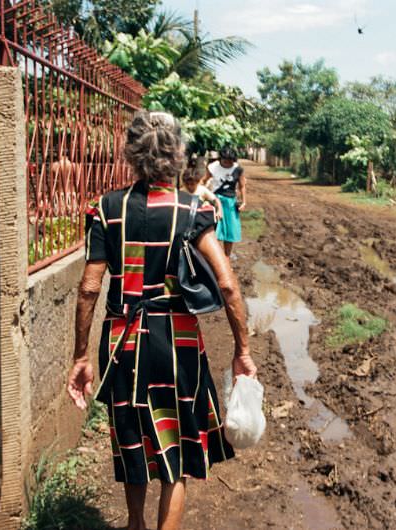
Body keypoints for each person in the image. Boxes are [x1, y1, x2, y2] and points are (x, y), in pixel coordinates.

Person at [66, 111, 257, 530]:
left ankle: (135, 524)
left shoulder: (106, 209)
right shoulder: (193, 212)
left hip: (123, 344)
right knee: (177, 455)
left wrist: (81, 356)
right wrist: (242, 350)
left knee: (131, 447)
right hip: (177, 345)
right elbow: (227, 286)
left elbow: (89, 288)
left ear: (132, 153)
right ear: (177, 155)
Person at [207, 147, 246, 257]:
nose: (228, 163)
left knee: (230, 231)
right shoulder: (213, 167)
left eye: (230, 161)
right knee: (215, 230)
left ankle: (226, 257)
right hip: (214, 200)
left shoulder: (238, 169)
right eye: (225, 161)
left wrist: (243, 202)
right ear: (220, 159)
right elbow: (203, 180)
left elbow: (242, 186)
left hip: (230, 203)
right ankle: (216, 257)